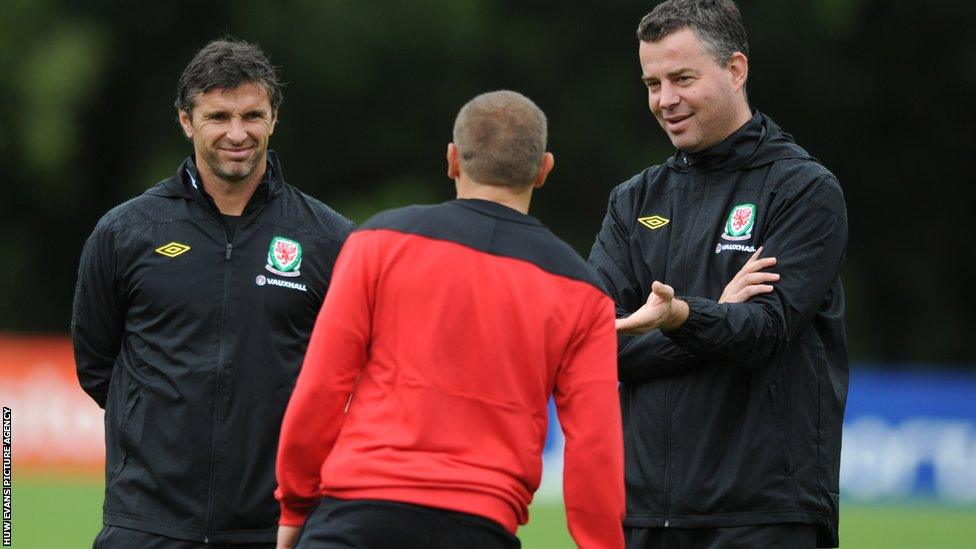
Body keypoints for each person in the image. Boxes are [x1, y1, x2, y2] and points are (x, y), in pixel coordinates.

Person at [274, 90, 625, 549]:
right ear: (543, 171)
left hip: (357, 513)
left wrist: (295, 503)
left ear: (453, 160)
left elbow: (321, 388)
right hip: (480, 524)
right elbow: (596, 450)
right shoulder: (584, 291)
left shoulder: (378, 242)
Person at [72, 39, 354, 548]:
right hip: (145, 522)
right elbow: (97, 363)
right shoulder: (126, 232)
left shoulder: (330, 240)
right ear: (186, 120)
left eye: (252, 115)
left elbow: (352, 373)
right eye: (218, 116)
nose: (237, 133)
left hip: (275, 526)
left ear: (274, 118)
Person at [588, 1, 849, 547]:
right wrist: (708, 313)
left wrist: (676, 316)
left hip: (763, 512)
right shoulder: (633, 200)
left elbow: (763, 333)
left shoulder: (804, 189)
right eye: (652, 83)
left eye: (682, 78)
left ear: (735, 70)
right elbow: (595, 342)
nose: (664, 100)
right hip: (645, 512)